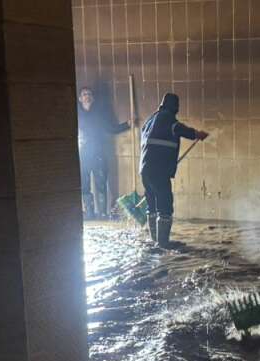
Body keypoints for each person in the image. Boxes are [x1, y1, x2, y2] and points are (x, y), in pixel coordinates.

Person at [139, 93, 208, 247]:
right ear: (174, 106)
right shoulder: (167, 118)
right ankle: (163, 243)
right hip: (158, 171)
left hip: (145, 169)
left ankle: (154, 240)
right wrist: (197, 134)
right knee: (165, 204)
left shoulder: (149, 120)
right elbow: (178, 128)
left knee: (152, 204)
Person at [76, 87, 129, 220]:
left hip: (98, 153)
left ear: (92, 98)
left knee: (101, 183)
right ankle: (89, 213)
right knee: (85, 185)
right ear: (80, 98)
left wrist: (128, 124)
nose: (87, 96)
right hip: (83, 155)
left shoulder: (99, 115)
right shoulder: (77, 115)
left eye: (89, 94)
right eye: (84, 94)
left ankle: (103, 214)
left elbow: (112, 129)